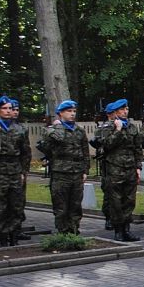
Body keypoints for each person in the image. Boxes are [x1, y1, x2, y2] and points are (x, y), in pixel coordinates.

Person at [37, 100, 90, 235]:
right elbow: (53, 144)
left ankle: (74, 232)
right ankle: (63, 234)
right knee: (61, 206)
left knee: (76, 205)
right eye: (69, 111)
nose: (72, 114)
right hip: (60, 172)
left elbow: (85, 151)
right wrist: (59, 126)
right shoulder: (51, 130)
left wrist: (85, 170)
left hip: (77, 172)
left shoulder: (79, 130)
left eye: (74, 111)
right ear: (60, 113)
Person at [93, 98, 143, 242]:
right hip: (114, 168)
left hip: (130, 169)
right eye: (122, 109)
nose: (125, 112)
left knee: (129, 201)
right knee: (115, 201)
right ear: (115, 112)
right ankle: (118, 230)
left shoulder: (132, 127)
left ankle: (127, 229)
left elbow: (137, 149)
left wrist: (138, 167)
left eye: (126, 109)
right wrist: (118, 130)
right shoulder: (107, 128)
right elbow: (107, 145)